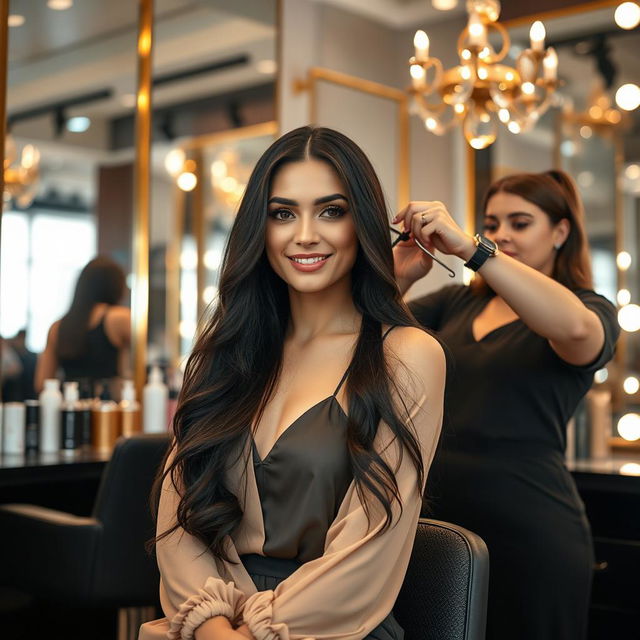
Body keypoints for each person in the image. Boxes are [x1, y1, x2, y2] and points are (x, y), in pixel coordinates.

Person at [139, 126, 445, 640]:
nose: (305, 234)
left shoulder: (407, 356)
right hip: (209, 625)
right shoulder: (225, 354)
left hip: (330, 627)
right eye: (283, 213)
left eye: (331, 211)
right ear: (260, 228)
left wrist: (254, 632)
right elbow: (179, 522)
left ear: (363, 224)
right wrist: (215, 629)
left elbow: (371, 544)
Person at [394, 170, 619, 640]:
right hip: (439, 526)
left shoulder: (585, 306)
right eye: (492, 224)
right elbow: (360, 337)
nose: (501, 235)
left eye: (520, 223)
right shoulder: (455, 305)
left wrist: (475, 250)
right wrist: (398, 276)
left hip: (532, 536)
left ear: (560, 232)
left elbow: (578, 332)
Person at [35, 256, 131, 394]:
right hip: (107, 411)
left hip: (70, 409)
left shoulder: (57, 327)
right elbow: (140, 361)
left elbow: (41, 384)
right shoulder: (118, 317)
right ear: (117, 285)